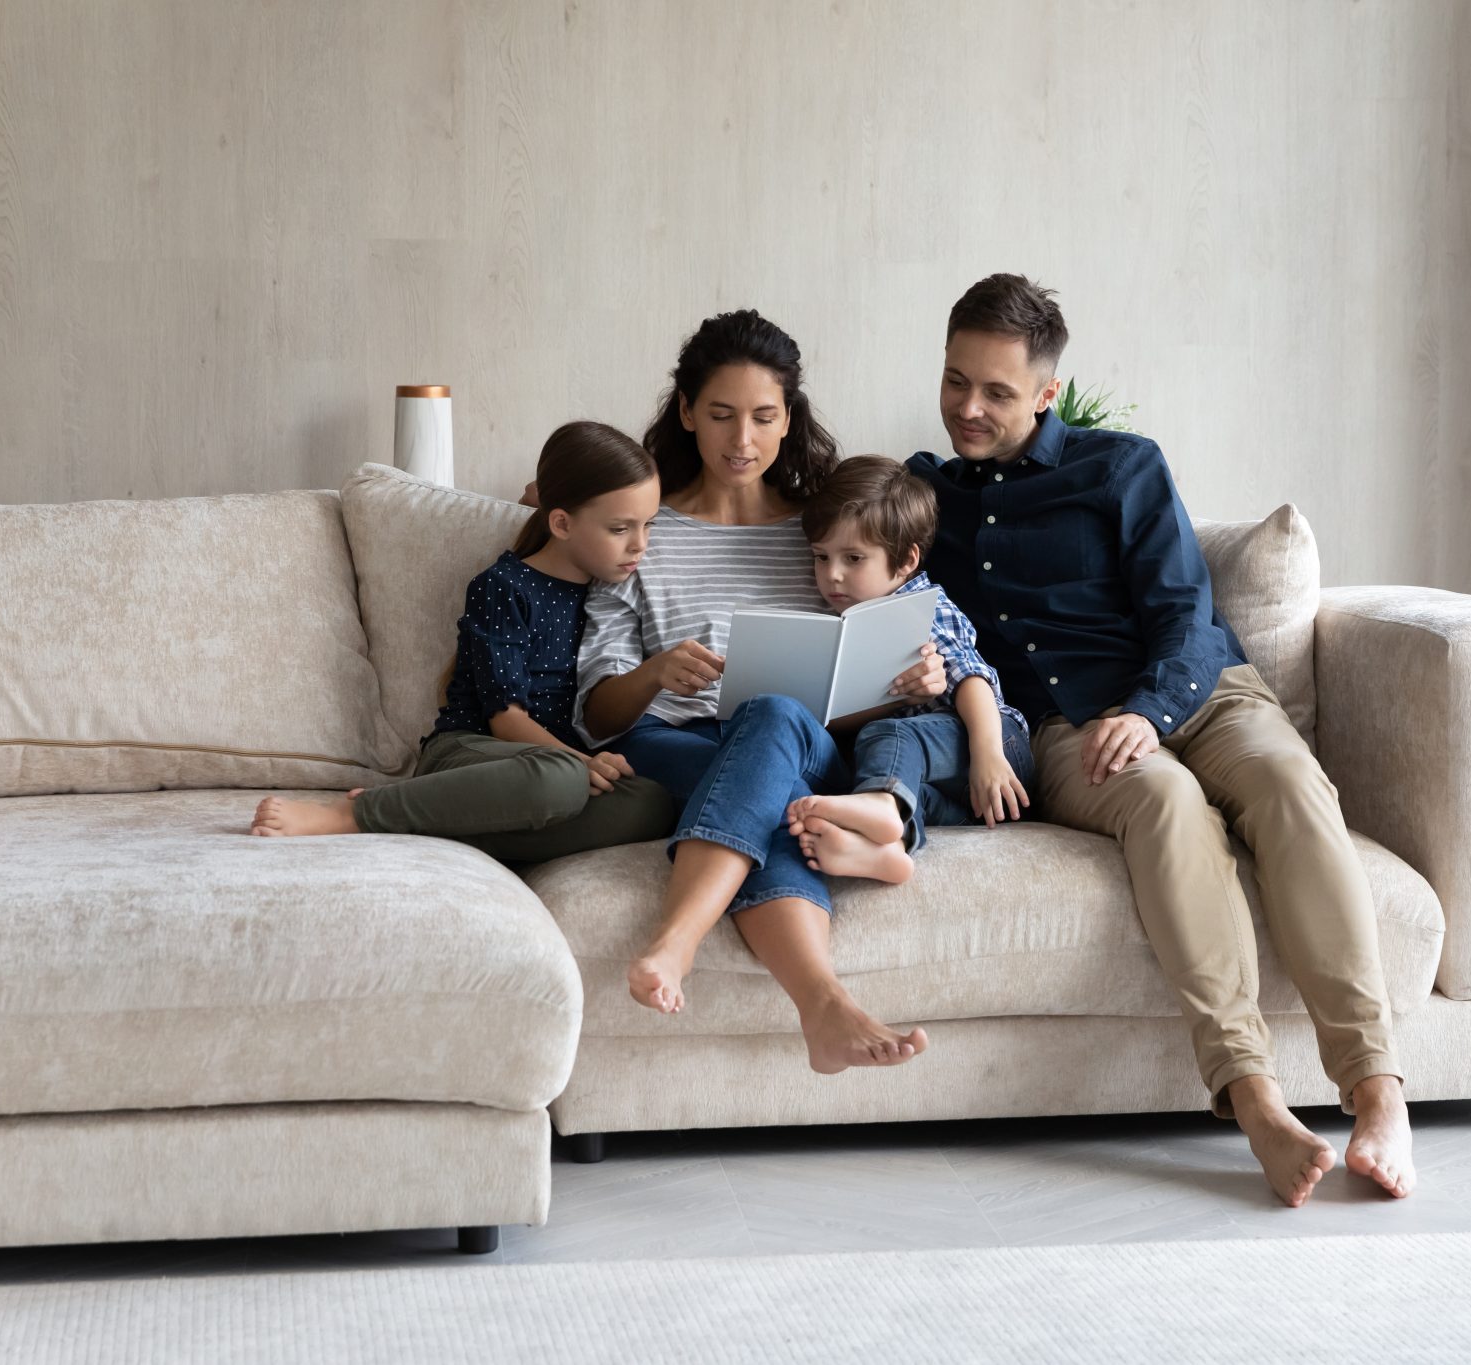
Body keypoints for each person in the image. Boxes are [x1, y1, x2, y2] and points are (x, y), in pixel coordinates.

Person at [906, 273, 1416, 1207]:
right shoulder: (925, 500)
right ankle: (1255, 1098)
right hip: (1068, 729)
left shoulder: (1120, 466)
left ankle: (1379, 1092)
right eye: (954, 381)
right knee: (1167, 801)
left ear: (1048, 393)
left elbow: (1185, 609)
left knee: (1291, 785)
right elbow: (842, 545)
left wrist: (1147, 709)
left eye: (997, 391)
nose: (968, 408)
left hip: (1199, 692)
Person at [576, 311, 943, 1073]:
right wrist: (654, 671)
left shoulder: (826, 531)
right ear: (686, 412)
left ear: (788, 418)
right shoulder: (640, 530)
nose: (742, 439)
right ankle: (824, 1005)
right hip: (671, 741)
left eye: (764, 416)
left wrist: (909, 685)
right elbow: (597, 714)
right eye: (721, 414)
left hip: (802, 742)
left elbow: (850, 692)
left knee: (772, 715)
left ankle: (675, 941)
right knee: (775, 799)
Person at [249, 421, 674, 859]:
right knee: (560, 778)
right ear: (562, 523)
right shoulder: (505, 586)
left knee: (653, 803)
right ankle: (355, 815)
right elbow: (505, 721)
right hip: (472, 750)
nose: (640, 545)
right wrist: (582, 762)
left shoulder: (608, 596)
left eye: (649, 525)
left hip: (545, 772)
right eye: (621, 529)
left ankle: (429, 822)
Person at [781, 455, 1034, 884]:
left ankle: (880, 804)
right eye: (821, 557)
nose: (832, 575)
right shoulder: (839, 625)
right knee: (901, 786)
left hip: (993, 742)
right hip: (964, 798)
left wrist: (989, 754)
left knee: (888, 735)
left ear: (905, 561)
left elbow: (971, 678)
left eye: (853, 558)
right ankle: (890, 845)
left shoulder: (919, 606)